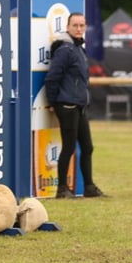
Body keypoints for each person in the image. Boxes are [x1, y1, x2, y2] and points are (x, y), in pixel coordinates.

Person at [44, 12, 107, 198]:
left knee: (87, 147)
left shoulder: (78, 49)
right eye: (75, 25)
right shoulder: (65, 50)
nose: (79, 29)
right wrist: (52, 102)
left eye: (82, 25)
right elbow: (52, 78)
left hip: (79, 105)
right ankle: (62, 189)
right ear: (68, 27)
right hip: (67, 105)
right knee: (69, 147)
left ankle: (89, 187)